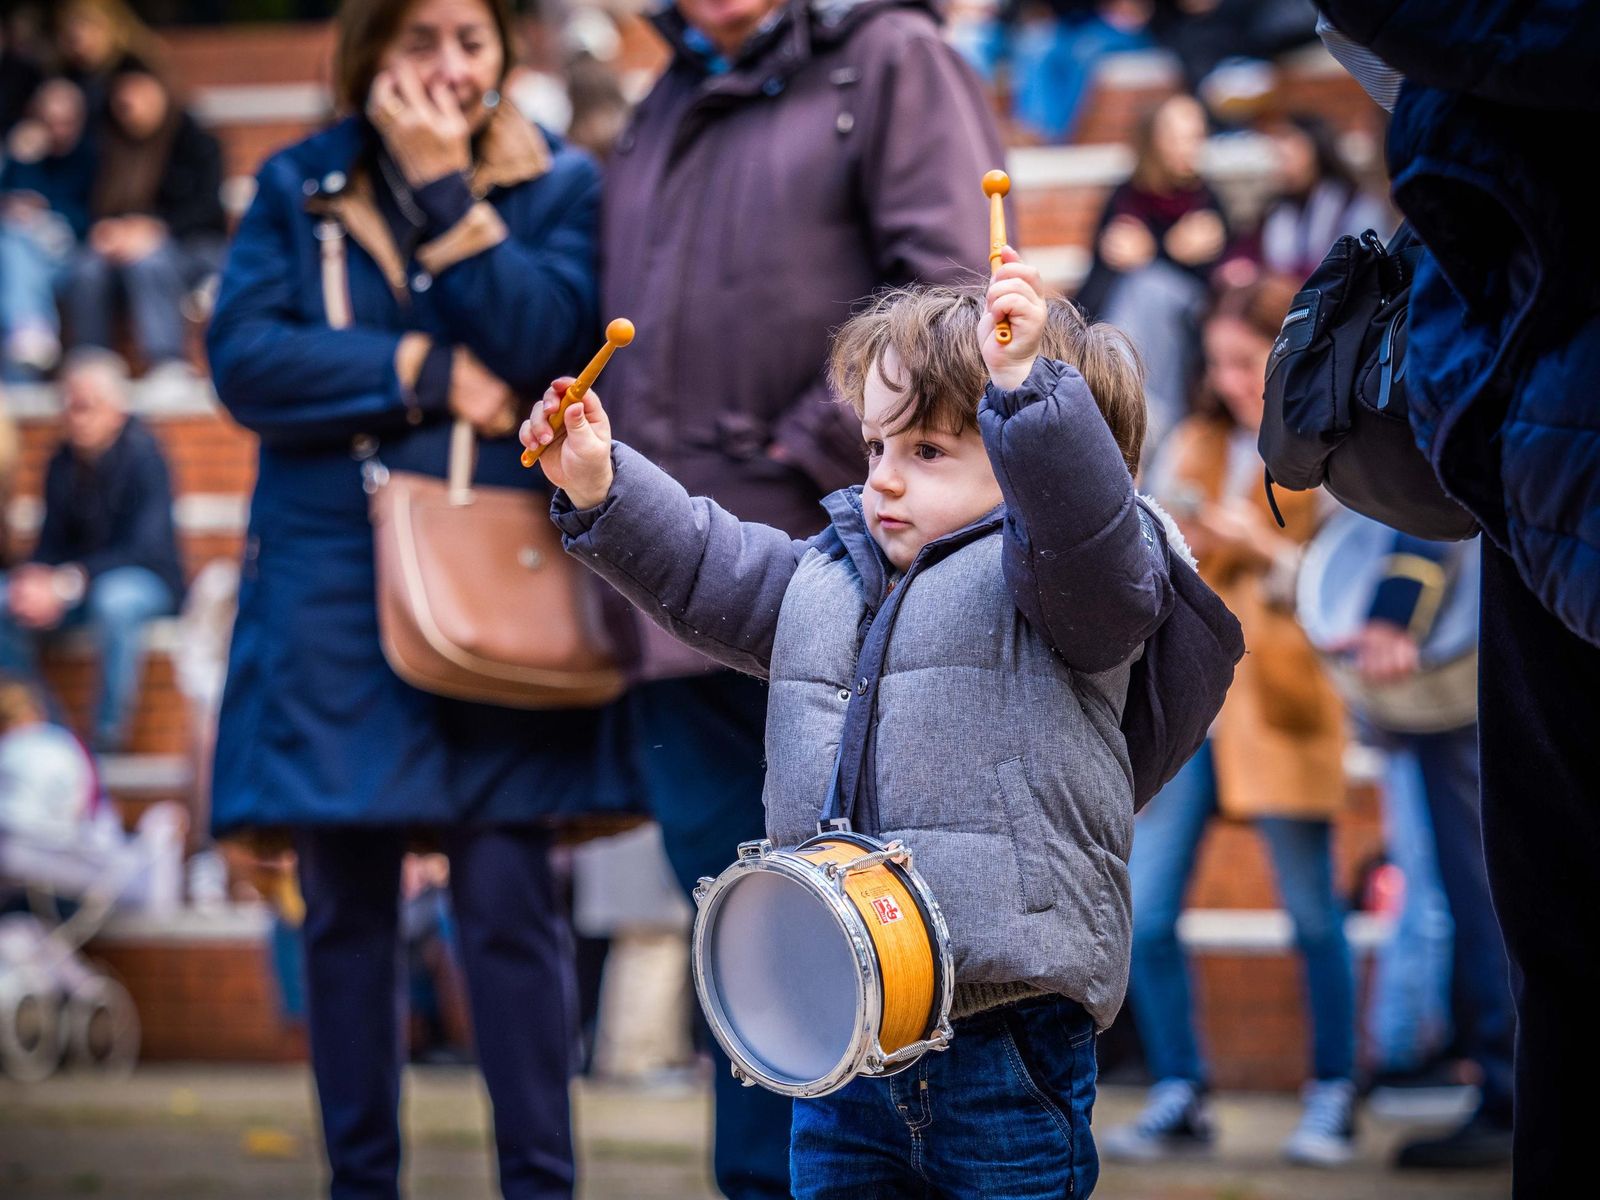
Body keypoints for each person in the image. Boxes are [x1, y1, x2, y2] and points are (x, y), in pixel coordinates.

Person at [523, 246, 1222, 1197]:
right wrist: (603, 483)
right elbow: (706, 565)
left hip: (1005, 1031)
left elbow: (1085, 531)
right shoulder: (834, 573)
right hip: (847, 1029)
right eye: (877, 447)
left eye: (928, 451)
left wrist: (1029, 395)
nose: (885, 480)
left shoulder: (1073, 577)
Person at [204, 1, 634, 1196]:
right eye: (420, 41)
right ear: (367, 57)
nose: (450, 67)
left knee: (508, 903)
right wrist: (423, 368)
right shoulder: (299, 183)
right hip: (331, 583)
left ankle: (541, 1183)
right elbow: (247, 361)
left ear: (505, 55)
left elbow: (548, 336)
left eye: (473, 40)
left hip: (494, 583)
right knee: (342, 909)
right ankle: (361, 1181)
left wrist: (449, 196)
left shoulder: (556, 184)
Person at [598, 0, 1006, 1192]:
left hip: (838, 587)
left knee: (852, 964)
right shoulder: (661, 97)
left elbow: (949, 301)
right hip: (672, 606)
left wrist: (790, 456)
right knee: (747, 965)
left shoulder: (889, 59)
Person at [1311, 7, 1600, 1186]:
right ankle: (1490, 1073)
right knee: (1538, 930)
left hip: (1542, 442)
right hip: (1536, 459)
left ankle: (1477, 1068)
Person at [1102, 276, 1358, 1167]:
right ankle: (1180, 1090)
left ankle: (1332, 1096)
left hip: (1284, 707)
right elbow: (1150, 548)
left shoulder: (1331, 445)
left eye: (1246, 363)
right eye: (1218, 363)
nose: (1231, 378)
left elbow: (1340, 592)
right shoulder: (1197, 439)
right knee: (1151, 910)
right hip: (1195, 710)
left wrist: (1263, 551)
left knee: (1313, 917)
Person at [1330, 532, 1514, 1168]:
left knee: (1487, 888)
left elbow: (1436, 482)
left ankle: (1509, 1096)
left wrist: (1394, 609)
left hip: (1495, 648)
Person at [0, 348, 183, 753]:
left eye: (86, 406)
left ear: (116, 409)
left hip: (146, 585)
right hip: (80, 586)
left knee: (116, 601)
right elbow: (50, 542)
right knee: (5, 599)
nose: (75, 416)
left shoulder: (145, 454)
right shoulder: (61, 461)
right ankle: (50, 732)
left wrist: (68, 581)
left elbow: (145, 550)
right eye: (70, 405)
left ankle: (106, 737)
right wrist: (35, 578)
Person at [1075, 91, 1228, 457]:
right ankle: (1122, 405)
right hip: (1126, 323)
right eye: (1179, 136)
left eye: (1196, 136)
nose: (1190, 147)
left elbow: (1217, 286)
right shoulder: (1125, 198)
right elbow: (1096, 287)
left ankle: (1140, 418)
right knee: (1134, 294)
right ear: (1153, 140)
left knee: (1151, 287)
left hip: (1187, 326)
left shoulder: (1206, 201)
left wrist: (1154, 252)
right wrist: (1162, 251)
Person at [66, 62, 225, 378]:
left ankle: (166, 362)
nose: (129, 103)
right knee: (85, 268)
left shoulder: (196, 142)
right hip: (119, 243)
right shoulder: (103, 145)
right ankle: (92, 362)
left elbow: (207, 210)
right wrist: (104, 230)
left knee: (149, 262)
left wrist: (156, 229)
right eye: (121, 95)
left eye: (137, 92)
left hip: (189, 245)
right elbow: (81, 202)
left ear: (161, 93)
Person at [1222, 111, 1391, 283]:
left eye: (1288, 154)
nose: (1281, 162)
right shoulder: (1275, 210)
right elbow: (1246, 254)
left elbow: (1356, 265)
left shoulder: (1353, 204)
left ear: (1315, 150)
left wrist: (1291, 284)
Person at [1, 78, 95, 379]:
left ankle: (30, 325)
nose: (57, 131)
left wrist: (45, 212)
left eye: (65, 122)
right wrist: (20, 158)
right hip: (25, 253)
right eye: (48, 122)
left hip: (71, 252)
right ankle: (28, 333)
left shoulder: (92, 156)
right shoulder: (25, 155)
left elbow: (91, 214)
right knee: (13, 241)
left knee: (14, 244)